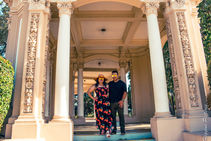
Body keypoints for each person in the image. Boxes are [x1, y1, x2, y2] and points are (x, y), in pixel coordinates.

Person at [108, 70, 127, 135]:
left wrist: (122, 100)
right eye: (113, 75)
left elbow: (125, 92)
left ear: (117, 75)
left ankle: (123, 131)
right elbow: (105, 91)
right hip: (112, 103)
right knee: (113, 118)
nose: (114, 76)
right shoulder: (110, 84)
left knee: (121, 117)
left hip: (120, 102)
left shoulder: (122, 83)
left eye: (115, 75)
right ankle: (114, 131)